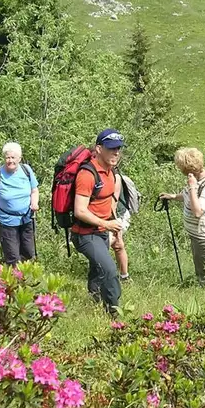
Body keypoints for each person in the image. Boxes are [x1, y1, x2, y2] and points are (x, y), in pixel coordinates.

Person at [72, 128, 124, 313]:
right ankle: (114, 312)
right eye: (111, 148)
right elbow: (79, 210)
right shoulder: (87, 175)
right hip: (85, 234)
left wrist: (114, 225)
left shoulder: (110, 172)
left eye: (118, 148)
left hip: (101, 230)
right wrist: (107, 224)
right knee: (109, 269)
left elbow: (107, 201)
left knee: (98, 268)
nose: (116, 152)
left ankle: (94, 302)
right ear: (99, 149)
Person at [159, 147, 205, 285]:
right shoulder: (195, 179)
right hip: (197, 235)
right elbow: (189, 197)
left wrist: (192, 187)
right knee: (201, 269)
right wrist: (174, 196)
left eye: (181, 168)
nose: (180, 171)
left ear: (188, 168)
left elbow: (198, 211)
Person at [0, 142, 39, 266]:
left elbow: (34, 190)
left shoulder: (26, 170)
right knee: (13, 257)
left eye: (13, 157)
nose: (10, 161)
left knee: (28, 253)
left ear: (19, 158)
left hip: (26, 219)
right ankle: (13, 282)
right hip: (6, 221)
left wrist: (34, 203)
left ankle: (26, 281)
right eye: (7, 157)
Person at [110, 169, 132, 282]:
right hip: (102, 216)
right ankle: (123, 276)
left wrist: (116, 227)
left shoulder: (115, 176)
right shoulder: (91, 173)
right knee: (117, 245)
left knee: (117, 244)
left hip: (117, 215)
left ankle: (124, 276)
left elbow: (112, 205)